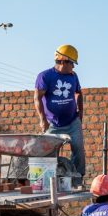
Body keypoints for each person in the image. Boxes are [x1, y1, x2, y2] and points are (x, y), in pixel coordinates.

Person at [35, 44, 85, 185]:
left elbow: (78, 93)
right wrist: (42, 119)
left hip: (72, 122)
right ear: (63, 61)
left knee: (78, 149)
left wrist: (80, 114)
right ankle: (49, 181)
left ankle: (78, 179)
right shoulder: (45, 76)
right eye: (72, 63)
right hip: (52, 123)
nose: (73, 67)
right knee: (49, 152)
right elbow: (37, 98)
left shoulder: (73, 76)